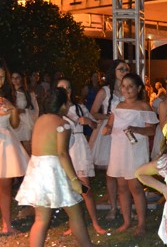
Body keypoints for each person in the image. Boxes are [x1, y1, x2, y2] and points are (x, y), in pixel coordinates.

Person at [16, 87, 106, 247]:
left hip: (37, 168)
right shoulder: (62, 124)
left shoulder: (40, 120)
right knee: (75, 211)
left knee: (41, 218)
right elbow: (62, 154)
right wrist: (74, 180)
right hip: (53, 170)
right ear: (63, 105)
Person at [102, 73, 158, 235]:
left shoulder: (144, 107)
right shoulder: (118, 106)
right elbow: (110, 124)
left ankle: (141, 223)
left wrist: (136, 129)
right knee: (122, 187)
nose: (126, 89)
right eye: (124, 86)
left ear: (138, 88)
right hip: (119, 149)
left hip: (135, 150)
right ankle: (127, 220)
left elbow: (151, 130)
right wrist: (107, 128)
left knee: (136, 186)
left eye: (130, 86)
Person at [57, 78, 105, 235]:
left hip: (78, 146)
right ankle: (73, 223)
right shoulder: (56, 110)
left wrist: (88, 121)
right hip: (64, 147)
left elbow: (95, 124)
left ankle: (95, 222)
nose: (65, 91)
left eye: (68, 87)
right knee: (68, 188)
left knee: (85, 188)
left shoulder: (79, 107)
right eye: (62, 88)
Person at [89, 60, 130, 220]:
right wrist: (108, 118)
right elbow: (93, 112)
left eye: (126, 69)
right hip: (109, 132)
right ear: (114, 71)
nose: (124, 71)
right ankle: (113, 207)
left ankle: (126, 206)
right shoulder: (105, 91)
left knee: (126, 172)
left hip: (125, 132)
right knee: (111, 174)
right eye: (121, 69)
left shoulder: (129, 89)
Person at [0, 61, 29, 235]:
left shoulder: (5, 100)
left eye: (3, 77)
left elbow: (15, 125)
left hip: (6, 144)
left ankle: (7, 224)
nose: (1, 80)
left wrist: (13, 111)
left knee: (5, 186)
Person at [9, 71, 39, 154]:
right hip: (13, 122)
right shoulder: (8, 93)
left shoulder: (28, 93)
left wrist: (24, 111)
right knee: (14, 147)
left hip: (25, 122)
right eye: (13, 78)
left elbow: (35, 109)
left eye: (17, 78)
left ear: (22, 79)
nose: (15, 80)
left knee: (27, 148)